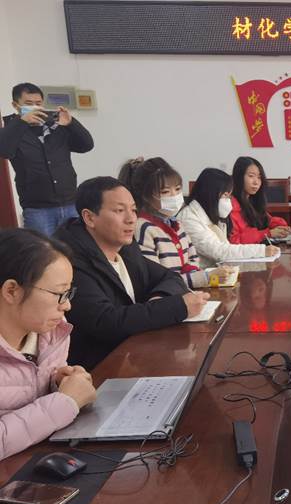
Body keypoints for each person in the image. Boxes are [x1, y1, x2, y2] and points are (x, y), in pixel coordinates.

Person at [54, 176, 209, 370]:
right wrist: (176, 307)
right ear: (89, 218)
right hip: (97, 368)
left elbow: (170, 277)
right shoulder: (69, 261)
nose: (131, 219)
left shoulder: (125, 248)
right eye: (119, 211)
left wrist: (159, 298)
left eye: (134, 210)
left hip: (136, 353)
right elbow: (106, 322)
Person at [0, 228, 97, 460]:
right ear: (11, 291)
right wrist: (65, 402)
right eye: (59, 293)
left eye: (69, 293)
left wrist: (59, 383)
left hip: (40, 457)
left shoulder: (53, 332)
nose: (67, 306)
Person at [118, 157, 230, 288]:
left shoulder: (177, 224)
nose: (174, 196)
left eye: (177, 189)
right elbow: (156, 279)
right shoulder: (143, 228)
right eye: (165, 192)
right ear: (146, 196)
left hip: (186, 291)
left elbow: (193, 258)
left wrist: (192, 273)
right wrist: (204, 277)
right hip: (169, 295)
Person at [0, 82, 94, 235]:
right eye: (29, 104)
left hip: (70, 203)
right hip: (37, 209)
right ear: (15, 105)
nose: (35, 107)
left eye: (38, 103)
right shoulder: (10, 128)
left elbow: (86, 145)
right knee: (41, 249)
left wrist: (71, 123)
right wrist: (22, 122)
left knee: (75, 247)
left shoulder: (55, 124)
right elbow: (4, 151)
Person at [178, 167, 279, 267]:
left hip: (218, 271)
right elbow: (219, 251)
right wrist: (261, 251)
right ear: (211, 194)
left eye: (230, 196)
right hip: (202, 274)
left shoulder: (211, 215)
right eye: (225, 196)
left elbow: (226, 249)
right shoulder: (189, 218)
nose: (229, 201)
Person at [228, 156, 291, 244]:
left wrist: (280, 228)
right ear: (239, 177)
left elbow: (268, 220)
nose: (256, 182)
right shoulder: (230, 204)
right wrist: (268, 233)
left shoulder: (252, 201)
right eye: (251, 176)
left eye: (259, 177)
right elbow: (234, 240)